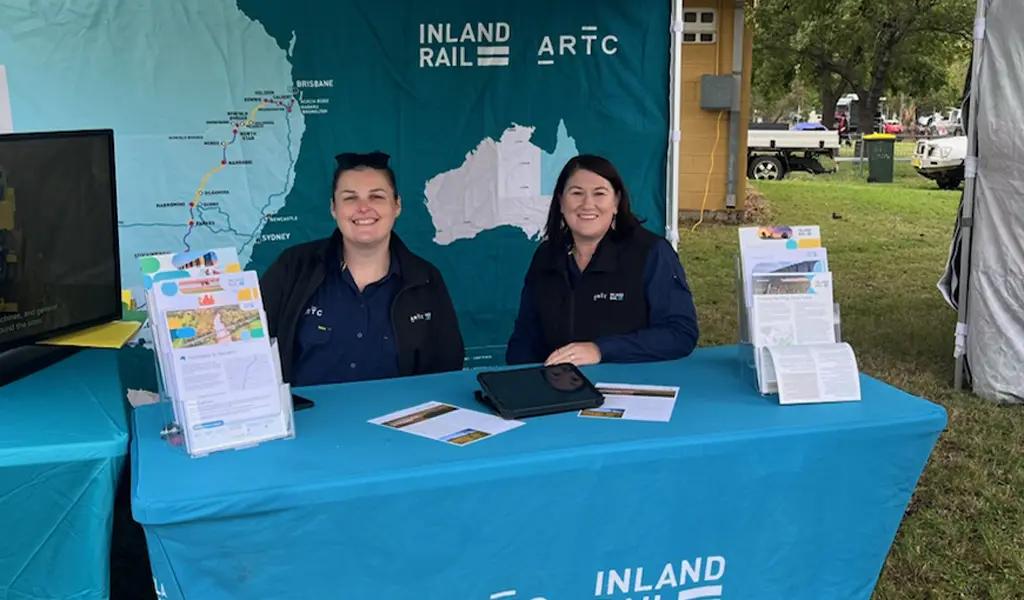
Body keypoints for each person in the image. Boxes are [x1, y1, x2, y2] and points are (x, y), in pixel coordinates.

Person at [261, 151, 464, 385]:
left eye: (376, 197)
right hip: (306, 420)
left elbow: (446, 370)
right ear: (333, 208)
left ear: (397, 205)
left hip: (398, 419)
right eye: (350, 198)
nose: (363, 208)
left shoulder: (425, 279)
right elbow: (254, 351)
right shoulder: (293, 268)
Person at [506, 154, 698, 366]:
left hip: (633, 388)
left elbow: (680, 333)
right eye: (576, 193)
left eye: (599, 193)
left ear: (616, 202)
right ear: (560, 202)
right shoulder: (546, 256)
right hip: (558, 390)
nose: (587, 204)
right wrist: (521, 385)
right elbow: (524, 339)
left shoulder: (651, 252)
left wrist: (600, 350)